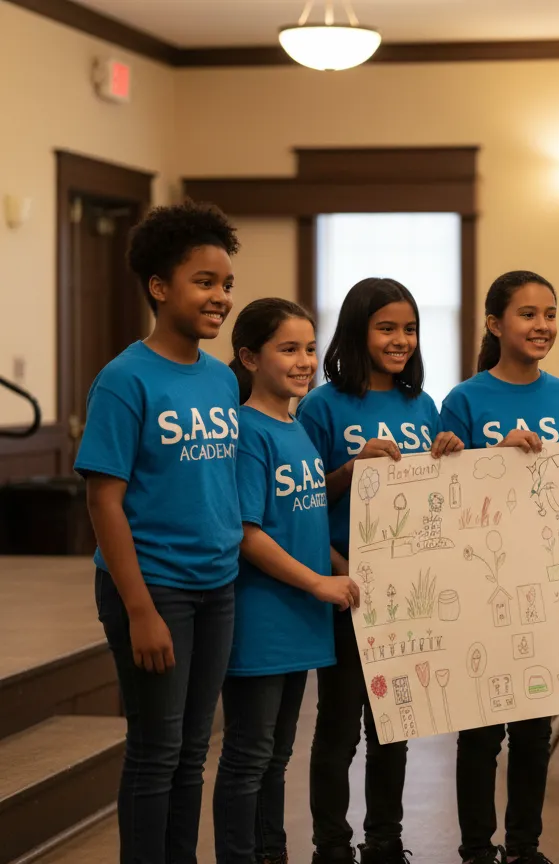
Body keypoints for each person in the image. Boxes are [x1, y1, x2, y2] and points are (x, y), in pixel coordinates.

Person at [75, 202, 241, 864]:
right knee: (155, 751)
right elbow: (103, 502)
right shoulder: (124, 380)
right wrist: (140, 609)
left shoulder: (222, 378)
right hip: (154, 589)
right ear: (159, 286)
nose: (221, 298)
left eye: (226, 284)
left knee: (194, 751)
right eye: (205, 282)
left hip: (216, 586)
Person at [441, 270, 559, 864]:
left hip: (551, 582)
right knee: (481, 728)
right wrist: (486, 456)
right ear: (495, 324)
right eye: (527, 314)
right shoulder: (463, 400)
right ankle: (475, 849)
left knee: (535, 730)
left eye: (550, 313)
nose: (542, 325)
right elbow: (446, 497)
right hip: (485, 580)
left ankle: (524, 846)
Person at [297, 278, 463, 864]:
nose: (400, 340)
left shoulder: (424, 406)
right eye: (386, 327)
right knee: (339, 727)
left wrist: (449, 452)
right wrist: (352, 468)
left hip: (409, 593)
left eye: (410, 329)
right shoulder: (322, 406)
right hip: (346, 587)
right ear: (356, 332)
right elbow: (300, 499)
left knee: (395, 725)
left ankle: (385, 840)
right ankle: (331, 845)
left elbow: (440, 500)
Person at [213, 299, 361, 864]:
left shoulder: (294, 426)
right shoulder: (248, 430)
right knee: (249, 755)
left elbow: (300, 512)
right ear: (249, 357)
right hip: (265, 615)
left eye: (308, 348)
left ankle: (271, 853)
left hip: (300, 614)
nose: (304, 361)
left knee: (275, 755)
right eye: (288, 349)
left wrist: (333, 559)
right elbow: (249, 534)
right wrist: (319, 583)